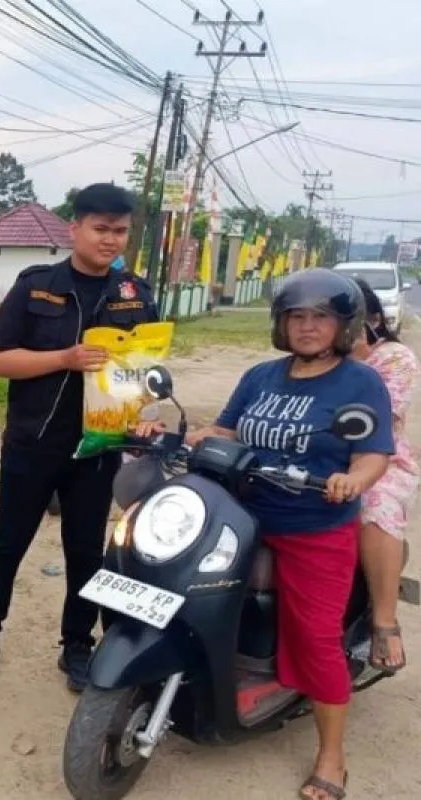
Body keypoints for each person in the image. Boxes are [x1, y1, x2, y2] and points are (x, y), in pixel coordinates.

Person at [150, 269, 393, 800]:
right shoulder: (261, 376)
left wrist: (354, 479)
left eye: (320, 317)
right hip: (240, 513)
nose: (307, 326)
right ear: (281, 324)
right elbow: (226, 429)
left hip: (313, 526)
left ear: (343, 325)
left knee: (316, 637)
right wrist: (179, 436)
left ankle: (332, 756)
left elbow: (374, 452)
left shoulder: (359, 382)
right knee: (175, 583)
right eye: (296, 316)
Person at [0, 183, 159, 691]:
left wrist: (144, 415)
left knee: (86, 551)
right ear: (75, 228)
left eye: (120, 231)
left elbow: (145, 374)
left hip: (98, 449)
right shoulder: (36, 287)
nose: (110, 240)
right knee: (8, 543)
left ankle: (77, 645)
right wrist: (64, 359)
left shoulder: (135, 296)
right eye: (100, 229)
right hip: (34, 442)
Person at [351, 276, 417, 673]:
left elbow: (379, 420)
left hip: (379, 457)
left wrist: (352, 362)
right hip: (311, 455)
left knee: (375, 507)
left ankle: (384, 621)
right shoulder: (306, 357)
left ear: (372, 319)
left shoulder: (394, 358)